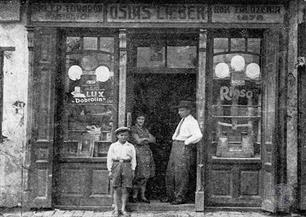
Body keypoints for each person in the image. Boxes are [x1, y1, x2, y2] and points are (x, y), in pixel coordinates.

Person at [164, 100, 203, 205]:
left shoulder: (192, 121)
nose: (179, 112)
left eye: (182, 110)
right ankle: (171, 196)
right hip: (176, 145)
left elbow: (198, 135)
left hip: (183, 147)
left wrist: (186, 142)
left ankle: (180, 197)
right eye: (179, 110)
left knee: (181, 173)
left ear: (188, 111)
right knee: (170, 172)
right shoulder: (183, 120)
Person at [107, 127, 136, 217]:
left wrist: (133, 169)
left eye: (125, 135)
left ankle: (123, 208)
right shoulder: (113, 146)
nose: (123, 137)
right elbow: (109, 158)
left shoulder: (130, 146)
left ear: (128, 136)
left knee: (126, 188)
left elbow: (133, 159)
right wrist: (110, 170)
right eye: (121, 135)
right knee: (116, 188)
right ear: (117, 136)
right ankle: (116, 209)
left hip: (127, 165)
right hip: (116, 165)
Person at [130, 113, 156, 203]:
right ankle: (134, 196)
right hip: (139, 153)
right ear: (135, 120)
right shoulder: (133, 129)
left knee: (146, 176)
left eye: (142, 119)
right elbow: (138, 141)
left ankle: (143, 196)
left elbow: (153, 139)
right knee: (139, 175)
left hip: (147, 153)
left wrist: (144, 139)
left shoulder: (145, 129)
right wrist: (146, 138)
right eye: (139, 119)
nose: (141, 121)